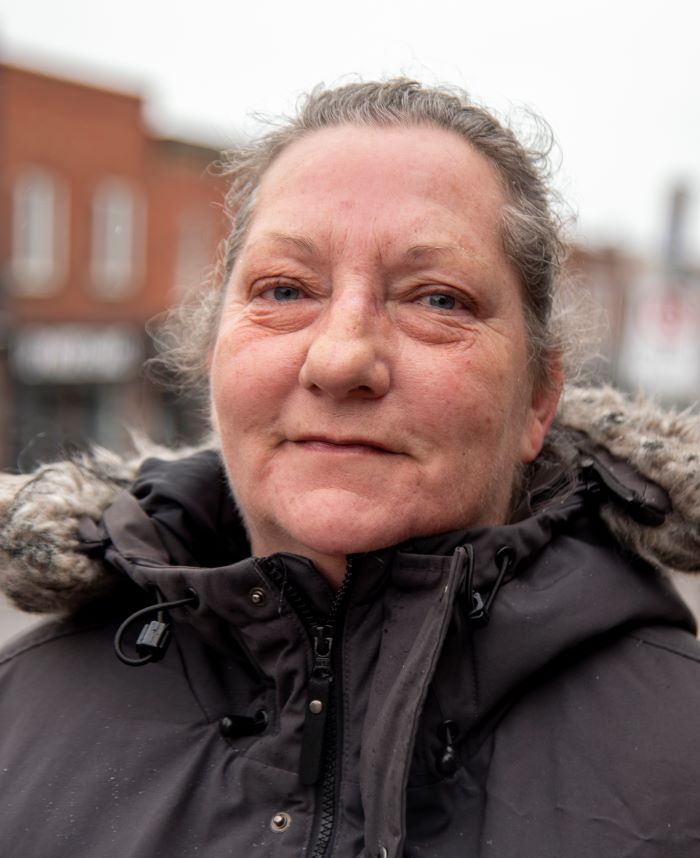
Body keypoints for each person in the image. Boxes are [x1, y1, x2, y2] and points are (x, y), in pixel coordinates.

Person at [1, 79, 699, 858]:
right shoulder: (19, 715)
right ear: (214, 354)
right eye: (284, 289)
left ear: (538, 397)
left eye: (437, 300)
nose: (340, 360)